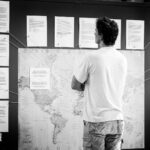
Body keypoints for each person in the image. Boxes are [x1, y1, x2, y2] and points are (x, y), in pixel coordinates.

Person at [71, 17, 127, 150]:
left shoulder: (90, 57)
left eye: (95, 31)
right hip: (117, 120)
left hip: (96, 120)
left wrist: (88, 84)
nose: (94, 33)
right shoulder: (122, 59)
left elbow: (74, 84)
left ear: (101, 35)